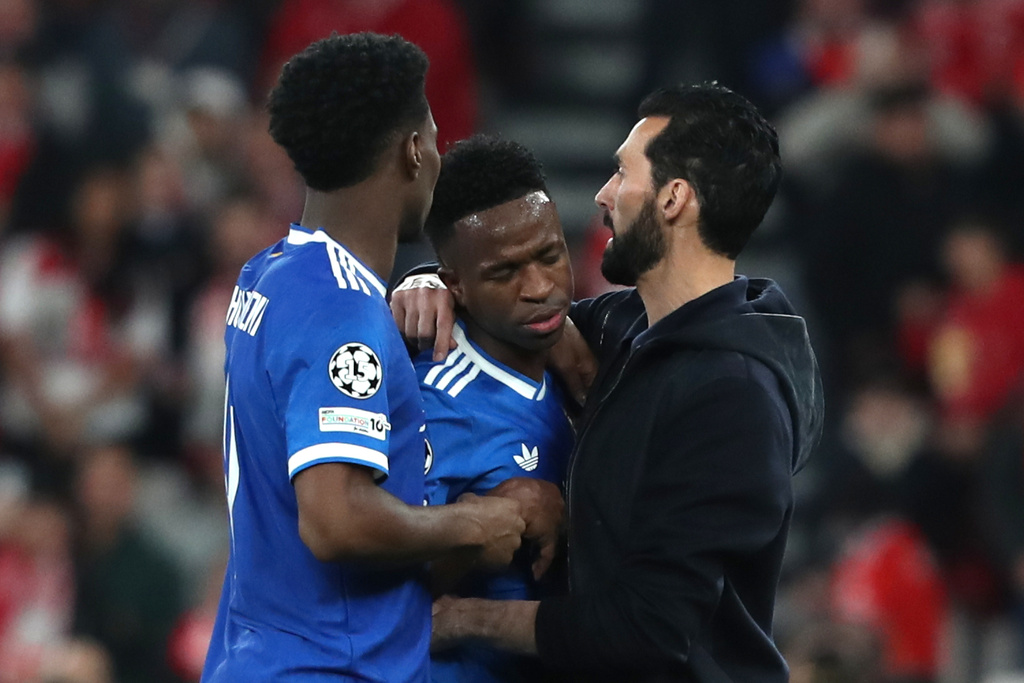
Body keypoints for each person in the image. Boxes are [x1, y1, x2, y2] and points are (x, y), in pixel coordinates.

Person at [395, 82, 825, 681]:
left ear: (673, 199)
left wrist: (468, 617)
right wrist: (426, 284)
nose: (603, 195)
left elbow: (649, 628)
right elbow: (512, 301)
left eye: (623, 174)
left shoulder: (733, 396)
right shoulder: (627, 327)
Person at [200, 33, 527, 683]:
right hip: (325, 666)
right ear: (411, 151)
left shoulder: (268, 274)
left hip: (260, 651)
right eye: (434, 136)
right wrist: (474, 521)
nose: (439, 155)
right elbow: (335, 517)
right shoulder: (340, 310)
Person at [410, 135, 575, 682]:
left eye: (550, 255)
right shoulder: (437, 403)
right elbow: (386, 588)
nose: (539, 286)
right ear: (454, 284)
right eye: (505, 273)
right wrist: (500, 514)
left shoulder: (598, 354)